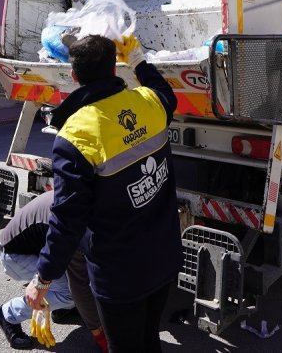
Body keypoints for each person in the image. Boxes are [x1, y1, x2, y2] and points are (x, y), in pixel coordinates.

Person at [24, 34, 180, 353]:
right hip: (164, 256)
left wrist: (42, 280)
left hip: (120, 275)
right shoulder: (148, 102)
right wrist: (137, 59)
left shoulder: (76, 136)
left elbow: (67, 220)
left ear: (75, 76)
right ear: (114, 68)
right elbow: (166, 92)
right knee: (150, 339)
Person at [0, 189, 107, 351]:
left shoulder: (84, 198)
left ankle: (61, 309)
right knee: (70, 293)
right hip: (15, 256)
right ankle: (7, 314)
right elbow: (79, 284)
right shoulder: (73, 227)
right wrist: (98, 333)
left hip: (36, 246)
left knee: (80, 282)